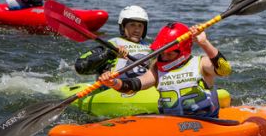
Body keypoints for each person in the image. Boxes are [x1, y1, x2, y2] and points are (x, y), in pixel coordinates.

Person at [99, 22, 231, 119]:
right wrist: (114, 82)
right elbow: (135, 84)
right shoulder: (157, 69)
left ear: (183, 51)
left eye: (170, 54)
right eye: (162, 53)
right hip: (169, 124)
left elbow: (225, 69)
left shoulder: (200, 64)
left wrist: (204, 43)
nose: (164, 57)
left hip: (207, 122)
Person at [75, 6, 151, 79]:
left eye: (140, 26)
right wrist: (109, 53)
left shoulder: (150, 48)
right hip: (114, 86)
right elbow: (79, 66)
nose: (137, 30)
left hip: (142, 85)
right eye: (132, 25)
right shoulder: (113, 44)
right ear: (123, 27)